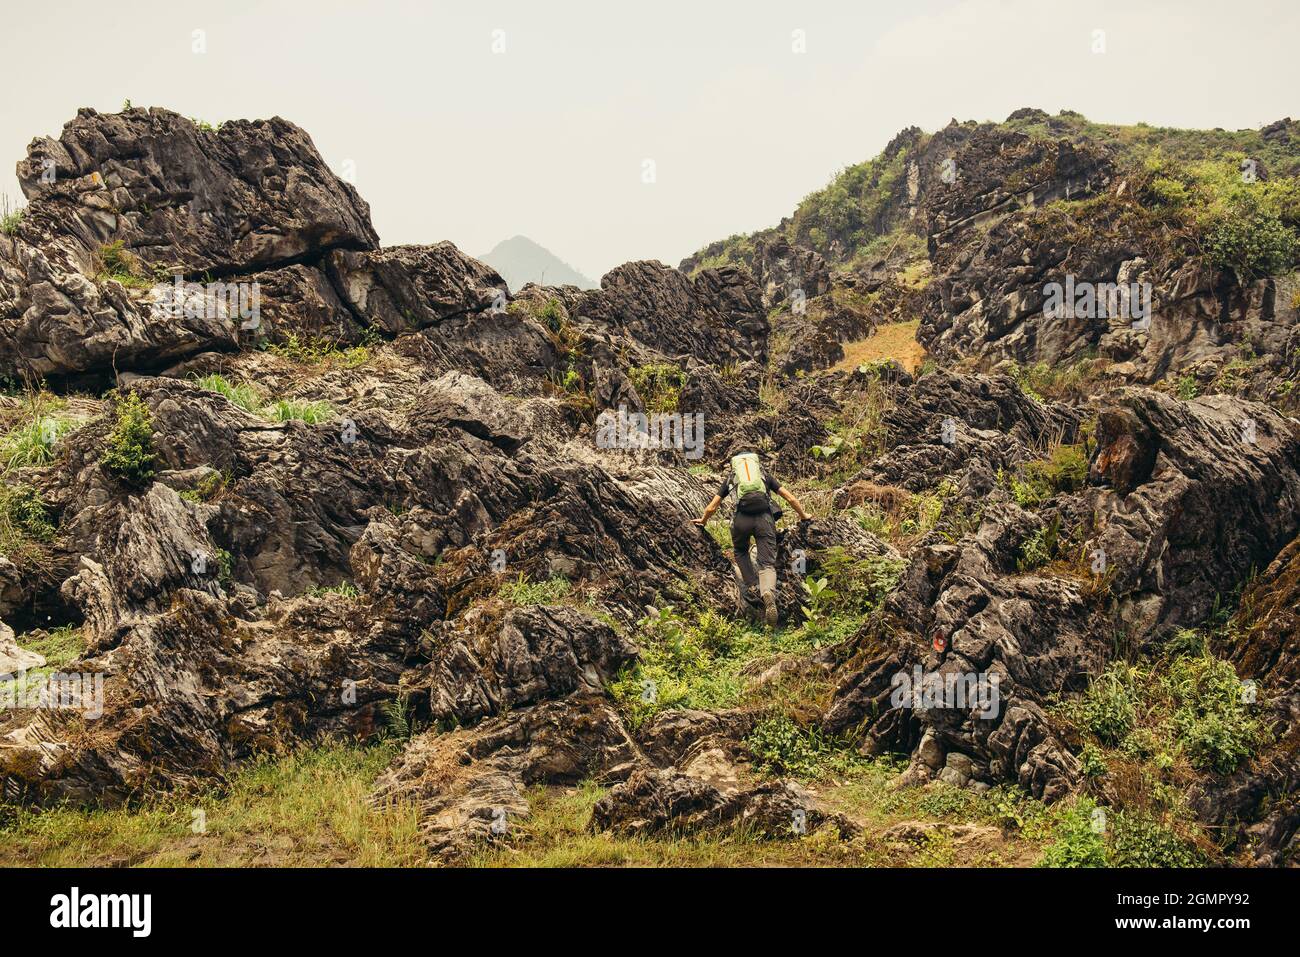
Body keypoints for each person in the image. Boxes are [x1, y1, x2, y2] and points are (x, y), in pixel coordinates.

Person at [693, 451, 811, 626]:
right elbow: (790, 498)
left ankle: (753, 586)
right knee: (766, 564)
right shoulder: (765, 477)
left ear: (735, 466)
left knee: (740, 551)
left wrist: (703, 521)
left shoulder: (732, 479)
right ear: (756, 464)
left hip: (741, 520)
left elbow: (712, 507)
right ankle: (767, 592)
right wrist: (803, 515)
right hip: (764, 519)